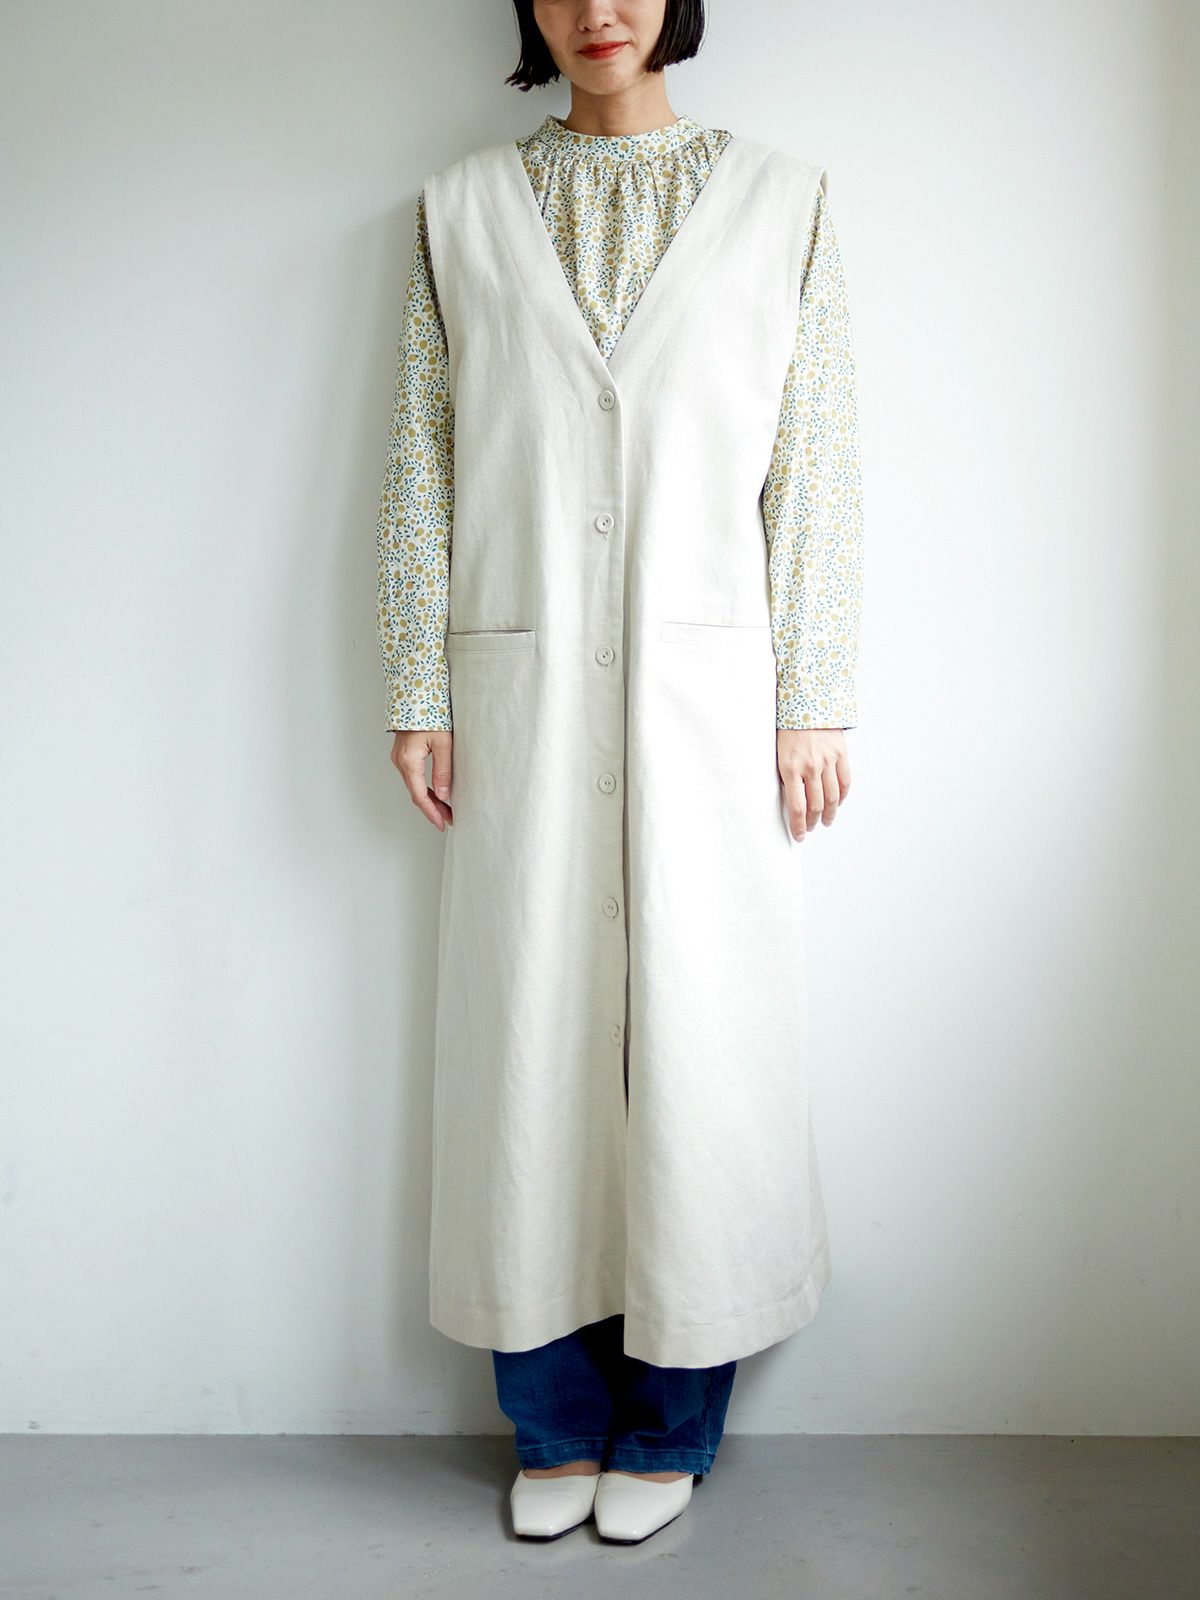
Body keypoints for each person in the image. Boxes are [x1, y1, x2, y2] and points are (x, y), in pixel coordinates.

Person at [375, 0, 864, 1546]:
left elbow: (817, 466)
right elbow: (420, 459)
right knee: (529, 1037)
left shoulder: (782, 203)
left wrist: (815, 700)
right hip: (520, 691)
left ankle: (669, 1422)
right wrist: (415, 682)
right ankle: (555, 1419)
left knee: (704, 1046)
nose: (600, 8)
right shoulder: (461, 211)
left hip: (712, 700)